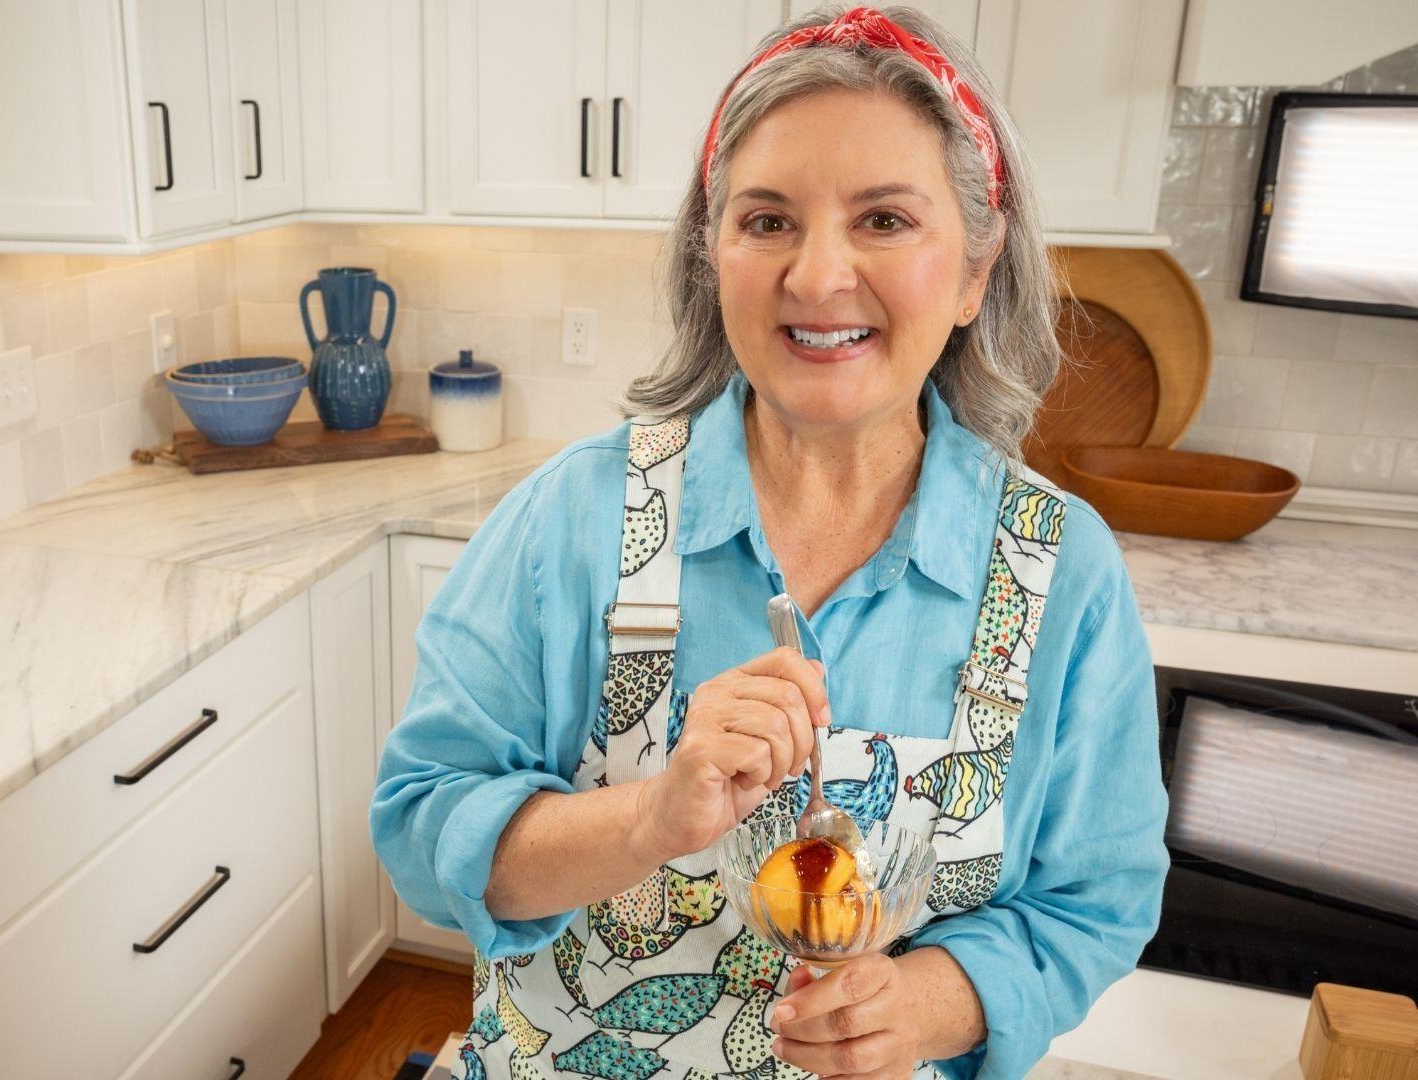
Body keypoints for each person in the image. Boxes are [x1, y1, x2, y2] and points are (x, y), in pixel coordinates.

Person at [372, 6, 1169, 1079]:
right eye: (768, 220)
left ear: (976, 270)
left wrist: (933, 1004)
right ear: (714, 255)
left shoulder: (1058, 573)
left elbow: (1098, 899)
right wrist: (646, 818)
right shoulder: (574, 520)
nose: (817, 275)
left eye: (885, 219)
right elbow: (424, 829)